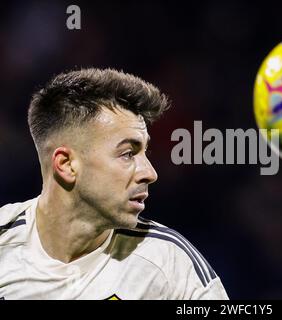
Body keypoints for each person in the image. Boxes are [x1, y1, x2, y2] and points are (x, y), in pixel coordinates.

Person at [0, 68, 229, 300]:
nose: (150, 173)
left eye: (145, 152)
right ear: (67, 164)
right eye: (128, 154)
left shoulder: (168, 264)